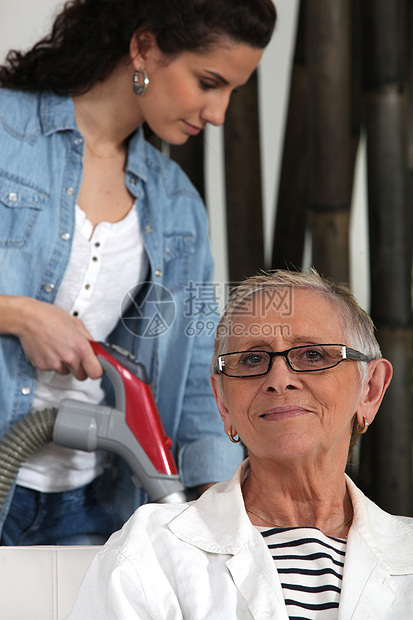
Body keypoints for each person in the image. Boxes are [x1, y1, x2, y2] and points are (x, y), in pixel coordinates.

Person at [0, 0, 277, 545]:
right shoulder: (7, 135)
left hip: (92, 507)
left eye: (231, 92)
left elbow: (202, 373)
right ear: (144, 46)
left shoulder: (178, 207)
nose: (219, 113)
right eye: (208, 82)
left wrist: (219, 519)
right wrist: (19, 315)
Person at [67, 269, 413, 619]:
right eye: (252, 360)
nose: (279, 380)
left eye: (312, 356)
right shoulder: (151, 550)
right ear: (223, 403)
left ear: (369, 390)